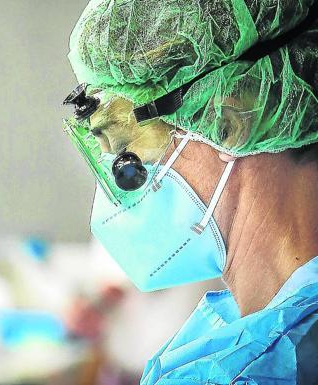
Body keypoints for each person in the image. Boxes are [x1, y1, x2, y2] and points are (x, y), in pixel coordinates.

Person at [62, 0, 318, 383]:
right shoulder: (248, 341)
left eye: (127, 159)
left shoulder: (262, 369)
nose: (121, 195)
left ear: (231, 120)